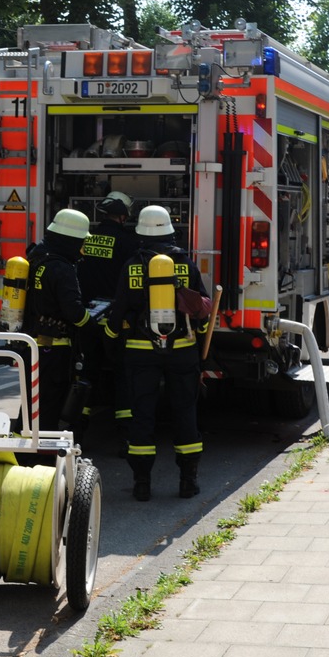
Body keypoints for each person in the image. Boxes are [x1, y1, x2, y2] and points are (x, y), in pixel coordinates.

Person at [104, 205, 211, 502]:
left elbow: (119, 310)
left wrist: (110, 340)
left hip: (141, 353)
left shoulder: (132, 266)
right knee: (185, 413)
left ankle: (141, 484)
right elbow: (200, 311)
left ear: (140, 233)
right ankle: (188, 481)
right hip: (182, 352)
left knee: (142, 415)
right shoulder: (185, 265)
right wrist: (201, 349)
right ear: (169, 231)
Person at [22, 208, 95, 431]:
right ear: (70, 240)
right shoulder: (62, 268)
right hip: (54, 350)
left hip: (31, 345)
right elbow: (73, 312)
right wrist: (92, 326)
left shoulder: (36, 258)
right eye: (81, 241)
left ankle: (23, 450)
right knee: (50, 403)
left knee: (30, 403)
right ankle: (42, 456)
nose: (82, 247)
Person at [77, 191, 137, 447]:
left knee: (89, 373)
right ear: (124, 216)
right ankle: (125, 437)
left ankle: (78, 431)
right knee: (123, 375)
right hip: (116, 320)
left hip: (89, 318)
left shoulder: (87, 240)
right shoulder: (128, 243)